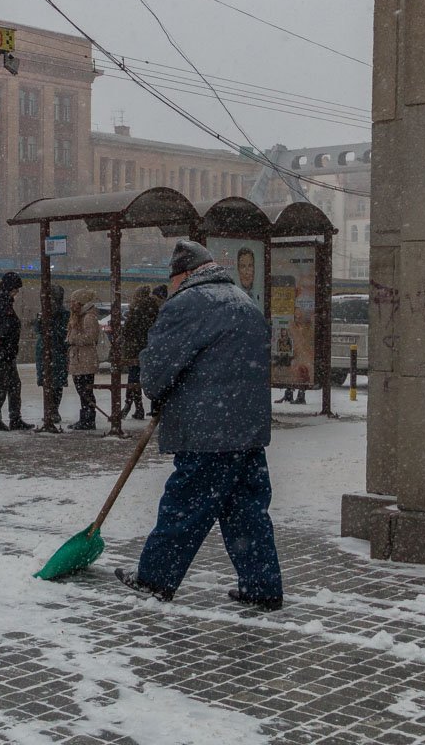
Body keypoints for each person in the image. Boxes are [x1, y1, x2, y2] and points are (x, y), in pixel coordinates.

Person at [116, 240, 283, 611]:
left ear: (186, 274)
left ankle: (155, 579)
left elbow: (158, 367)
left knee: (186, 506)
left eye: (173, 280)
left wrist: (158, 387)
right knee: (247, 511)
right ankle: (262, 586)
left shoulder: (187, 305)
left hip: (208, 430)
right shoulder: (243, 302)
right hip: (247, 430)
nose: (172, 287)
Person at [0, 271, 34, 431]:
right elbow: (3, 328)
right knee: (1, 387)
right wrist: (7, 339)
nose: (17, 292)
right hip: (2, 353)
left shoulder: (4, 302)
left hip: (6, 353)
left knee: (13, 386)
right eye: (15, 289)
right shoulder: (0, 303)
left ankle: (14, 418)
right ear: (9, 288)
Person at [118, 285, 158, 420]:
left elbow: (128, 329)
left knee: (133, 378)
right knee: (140, 378)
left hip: (135, 349)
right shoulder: (153, 308)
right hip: (148, 347)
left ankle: (131, 406)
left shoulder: (137, 309)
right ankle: (138, 407)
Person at [34, 283, 69, 425]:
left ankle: (53, 409)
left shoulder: (63, 315)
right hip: (47, 351)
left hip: (56, 351)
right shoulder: (45, 313)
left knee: (56, 383)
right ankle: (50, 409)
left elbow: (62, 333)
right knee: (48, 382)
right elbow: (39, 330)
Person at [66, 288, 101, 431]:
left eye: (74, 301)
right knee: (82, 390)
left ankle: (88, 419)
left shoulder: (88, 317)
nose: (71, 304)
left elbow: (91, 337)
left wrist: (72, 338)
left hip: (85, 359)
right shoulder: (79, 316)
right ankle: (85, 418)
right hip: (79, 358)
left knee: (85, 390)